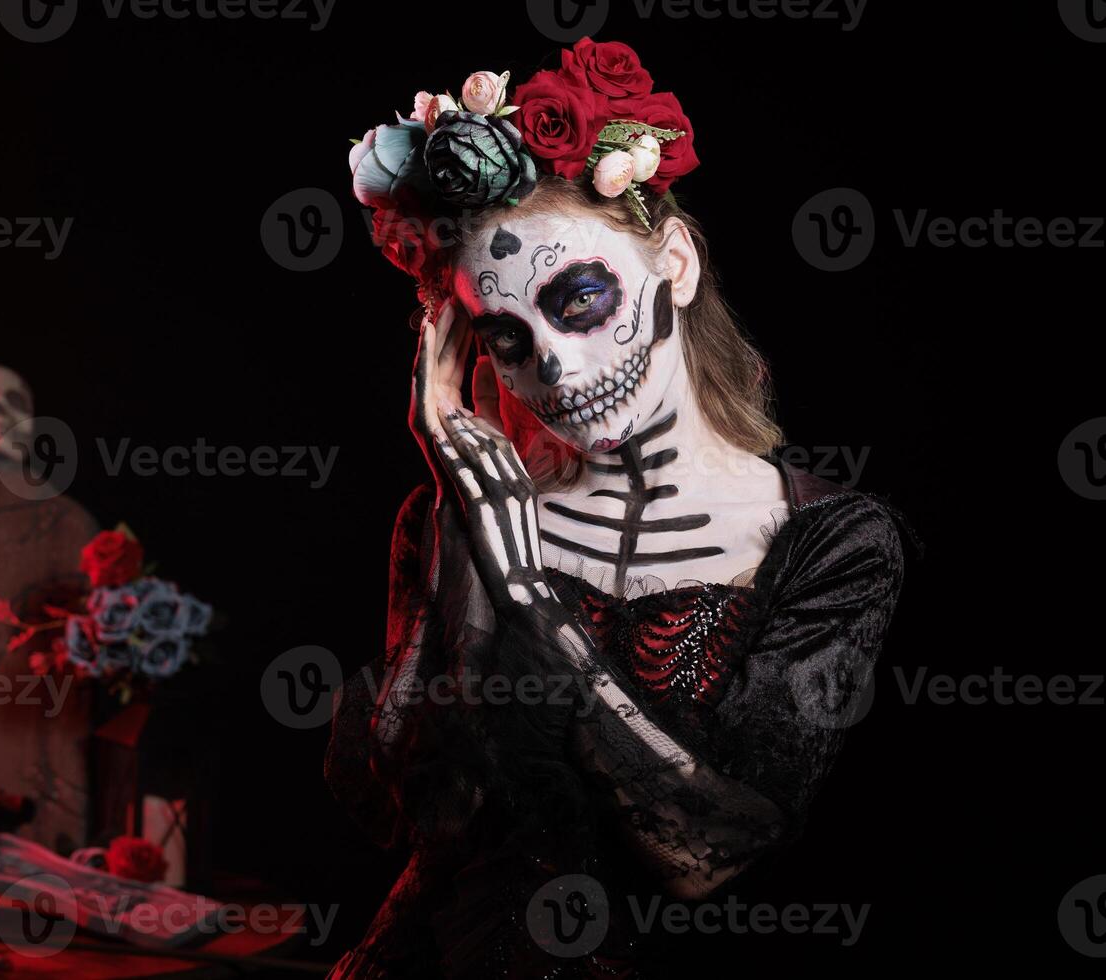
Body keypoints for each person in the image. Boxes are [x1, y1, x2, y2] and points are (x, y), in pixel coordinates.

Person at [327, 37, 904, 978]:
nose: (553, 365)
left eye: (581, 298)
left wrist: (526, 590)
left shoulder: (832, 542)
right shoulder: (459, 517)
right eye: (507, 336)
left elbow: (700, 858)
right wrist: (466, 532)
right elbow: (411, 817)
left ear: (672, 261)